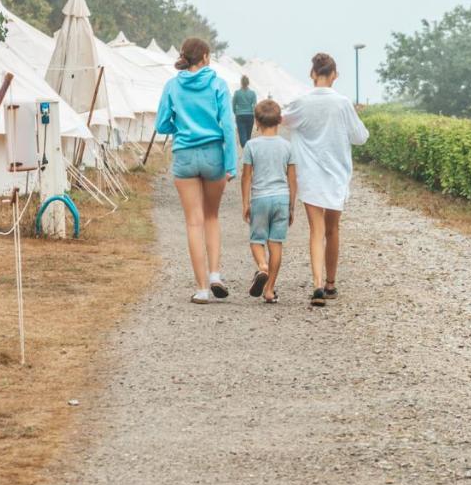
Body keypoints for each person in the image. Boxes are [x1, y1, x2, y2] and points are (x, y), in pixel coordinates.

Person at [281, 52, 369, 307]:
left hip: (309, 175)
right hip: (337, 174)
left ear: (312, 74)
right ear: (335, 75)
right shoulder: (342, 103)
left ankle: (317, 283)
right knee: (333, 230)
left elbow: (281, 119)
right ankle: (331, 284)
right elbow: (360, 136)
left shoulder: (301, 102)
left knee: (316, 230)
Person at [155, 37, 238, 304]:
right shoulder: (217, 84)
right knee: (212, 217)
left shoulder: (172, 85)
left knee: (194, 221)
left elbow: (161, 124)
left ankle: (201, 289)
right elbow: (227, 126)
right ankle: (215, 274)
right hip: (213, 154)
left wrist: (180, 128)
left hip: (184, 156)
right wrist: (231, 163)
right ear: (204, 57)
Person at [241, 99, 296, 304]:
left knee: (257, 240)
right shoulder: (287, 146)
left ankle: (262, 267)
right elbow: (292, 178)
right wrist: (291, 205)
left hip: (260, 198)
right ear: (280, 121)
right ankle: (270, 289)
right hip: (281, 198)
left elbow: (246, 177)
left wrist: (246, 203)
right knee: (276, 243)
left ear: (256, 122)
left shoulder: (251, 145)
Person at [232, 75, 258, 147]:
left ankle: (245, 149)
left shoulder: (237, 93)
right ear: (248, 83)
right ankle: (247, 152)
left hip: (240, 115)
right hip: (250, 115)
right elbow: (255, 105)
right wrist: (255, 116)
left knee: (242, 134)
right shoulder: (252, 93)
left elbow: (233, 104)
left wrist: (236, 112)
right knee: (248, 135)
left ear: (241, 83)